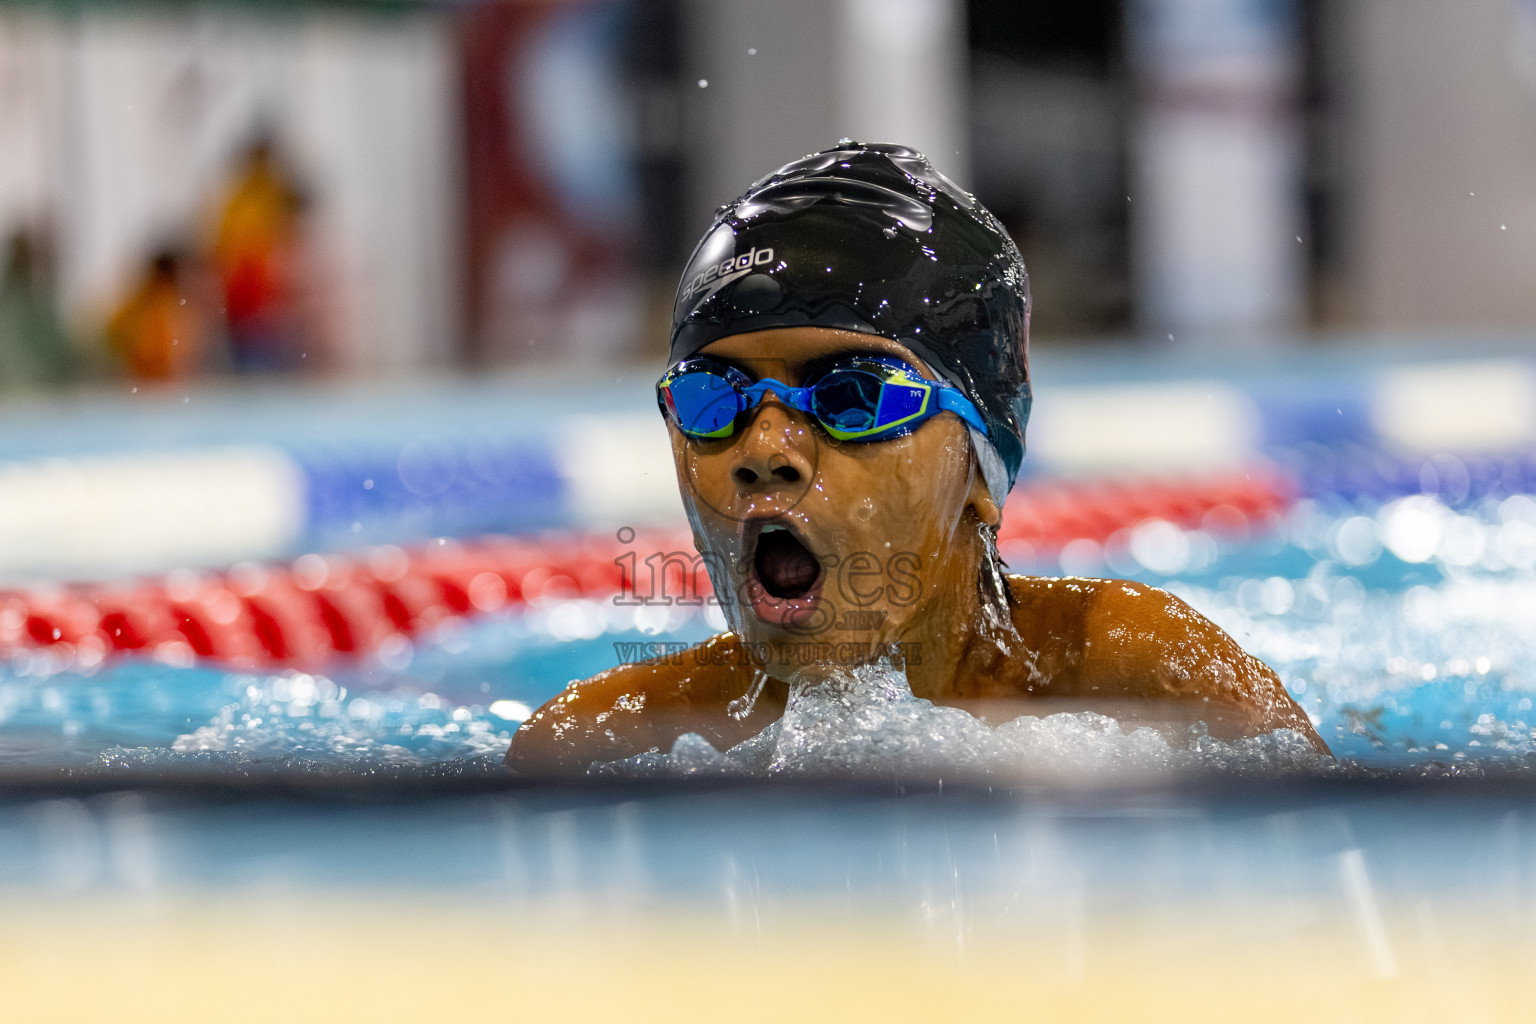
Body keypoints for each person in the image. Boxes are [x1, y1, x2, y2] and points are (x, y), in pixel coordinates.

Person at [507, 141, 1325, 774]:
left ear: (980, 464)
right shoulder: (604, 747)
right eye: (712, 400)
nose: (764, 452)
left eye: (854, 397)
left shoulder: (1143, 681)